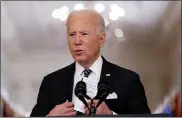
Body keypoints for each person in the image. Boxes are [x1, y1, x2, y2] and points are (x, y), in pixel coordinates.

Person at [30, 9, 150, 116]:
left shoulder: (128, 80)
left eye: (84, 34)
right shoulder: (51, 82)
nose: (77, 41)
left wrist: (111, 115)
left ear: (101, 40)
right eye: (72, 34)